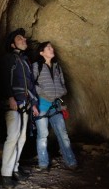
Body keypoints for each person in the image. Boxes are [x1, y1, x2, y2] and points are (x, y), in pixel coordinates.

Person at [0, 28, 39, 189]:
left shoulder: (25, 61)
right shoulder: (8, 58)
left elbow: (31, 85)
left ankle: (14, 168)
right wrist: (9, 97)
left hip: (25, 104)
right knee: (13, 136)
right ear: (13, 44)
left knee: (22, 138)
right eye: (20, 38)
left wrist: (33, 103)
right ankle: (5, 174)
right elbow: (2, 78)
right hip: (13, 103)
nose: (24, 39)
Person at [32, 41, 78, 172]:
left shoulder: (57, 67)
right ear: (41, 53)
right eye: (48, 47)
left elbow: (63, 83)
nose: (51, 49)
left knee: (63, 134)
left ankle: (71, 161)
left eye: (51, 47)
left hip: (56, 104)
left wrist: (61, 92)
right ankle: (43, 163)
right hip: (42, 104)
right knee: (42, 135)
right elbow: (31, 84)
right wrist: (44, 93)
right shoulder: (37, 66)